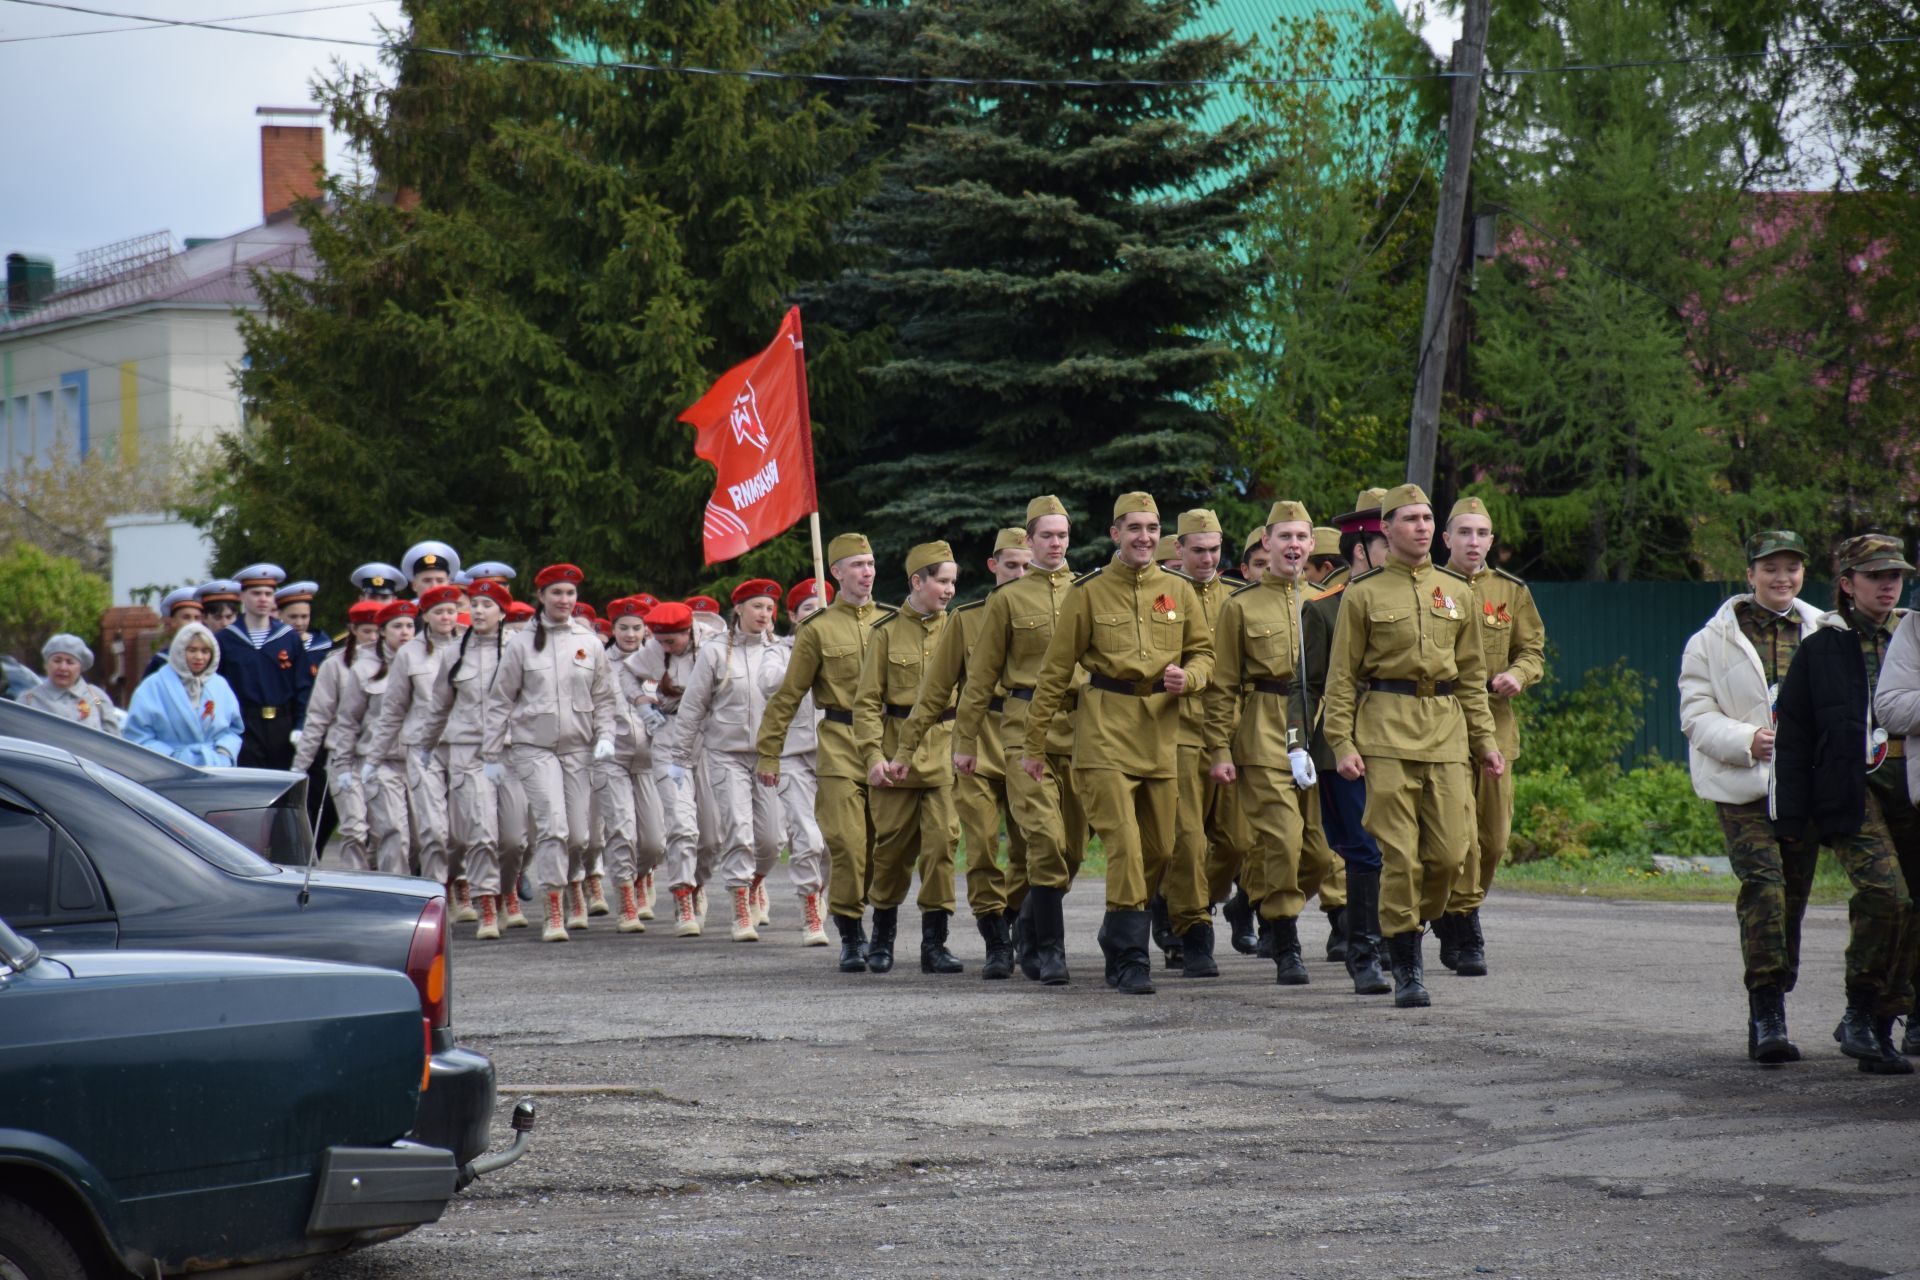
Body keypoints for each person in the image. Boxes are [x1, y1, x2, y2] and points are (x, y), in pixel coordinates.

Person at [1023, 492, 1214, 994]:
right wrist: (1034, 746)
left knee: (1160, 848)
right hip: (1104, 734)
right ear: (1115, 534)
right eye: (1134, 528)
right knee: (1126, 847)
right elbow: (1054, 672)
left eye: (1152, 528)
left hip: (1160, 734)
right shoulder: (1087, 593)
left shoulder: (1179, 590)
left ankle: (1112, 927)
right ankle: (1130, 957)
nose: (1144, 537)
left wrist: (1188, 679)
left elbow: (1205, 655)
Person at [1321, 483, 1503, 1009]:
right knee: (1398, 856)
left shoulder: (1458, 591)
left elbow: (1471, 677)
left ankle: (1408, 923)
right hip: (1384, 732)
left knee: (1450, 854)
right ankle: (1406, 965)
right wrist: (1341, 742)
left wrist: (1484, 741)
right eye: (1411, 519)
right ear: (1386, 529)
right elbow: (1340, 679)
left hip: (1445, 730)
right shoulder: (1365, 593)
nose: (1422, 527)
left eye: (1427, 518)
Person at [1774, 534, 1917, 1074]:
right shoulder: (1822, 647)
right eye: (1876, 575)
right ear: (1847, 583)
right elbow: (1794, 736)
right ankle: (1859, 1010)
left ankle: (1882, 1024)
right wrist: (1790, 815)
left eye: (1896, 575)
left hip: (1913, 783)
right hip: (1852, 788)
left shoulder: (1915, 635)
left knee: (1914, 908)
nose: (1888, 585)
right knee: (1888, 895)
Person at [1679, 530, 1823, 1063]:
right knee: (1764, 887)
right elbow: (1695, 716)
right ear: (1750, 575)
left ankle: (1775, 991)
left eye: (1791, 568)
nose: (1782, 577)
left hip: (1804, 788)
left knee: (1794, 899)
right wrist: (1748, 741)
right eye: (1771, 568)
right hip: (1744, 787)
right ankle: (1767, 1015)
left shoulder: (1823, 631)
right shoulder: (1710, 640)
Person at [951, 496, 1089, 984]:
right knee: (1045, 840)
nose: (1055, 544)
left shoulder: (1088, 591)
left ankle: (1027, 925)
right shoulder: (1007, 600)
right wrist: (965, 740)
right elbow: (981, 677)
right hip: (1021, 727)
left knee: (1073, 849)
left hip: (1080, 730)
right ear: (1028, 542)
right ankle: (1051, 951)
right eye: (1046, 536)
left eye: (1062, 535)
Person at [891, 530, 1032, 979]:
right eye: (1012, 565)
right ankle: (996, 941)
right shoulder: (968, 619)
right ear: (994, 567)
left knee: (1038, 849)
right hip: (977, 747)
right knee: (983, 848)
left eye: (1027, 567)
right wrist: (904, 749)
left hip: (1032, 743)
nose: (1020, 574)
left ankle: (1017, 925)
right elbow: (933, 695)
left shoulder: (1056, 613)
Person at [756, 534, 892, 972]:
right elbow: (788, 695)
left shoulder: (894, 622)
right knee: (847, 846)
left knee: (881, 850)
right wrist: (769, 753)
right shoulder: (817, 630)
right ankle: (851, 935)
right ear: (835, 573)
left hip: (890, 747)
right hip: (838, 745)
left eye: (870, 564)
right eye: (856, 565)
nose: (866, 572)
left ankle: (881, 932)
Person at [1206, 501, 1318, 985]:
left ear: (1312, 545)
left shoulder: (1329, 601)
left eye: (1302, 537)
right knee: (1282, 840)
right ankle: (1286, 939)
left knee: (1321, 854)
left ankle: (1256, 904)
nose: (1293, 545)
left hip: (1317, 732)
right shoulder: (1241, 606)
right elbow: (1223, 685)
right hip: (1264, 732)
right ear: (1266, 544)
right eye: (1284, 537)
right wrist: (1218, 749)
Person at [1435, 496, 1546, 976]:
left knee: (1494, 837)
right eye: (1464, 533)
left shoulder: (1511, 592)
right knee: (1455, 837)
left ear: (1492, 542)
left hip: (1496, 725)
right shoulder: (1431, 587)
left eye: (1482, 534)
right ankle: (1462, 921)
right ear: (1447, 539)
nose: (1473, 542)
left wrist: (1519, 675)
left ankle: (1459, 907)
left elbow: (1533, 651)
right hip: (1443, 724)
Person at [484, 564, 618, 942]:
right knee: (553, 828)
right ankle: (554, 910)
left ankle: (570, 883)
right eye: (556, 592)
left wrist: (606, 735)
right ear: (540, 596)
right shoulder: (520, 644)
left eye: (570, 593)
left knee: (581, 837)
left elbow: (604, 697)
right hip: (533, 748)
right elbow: (499, 701)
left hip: (578, 749)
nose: (564, 600)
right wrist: (492, 754)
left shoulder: (590, 642)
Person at [1302, 490, 1393, 995]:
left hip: (1399, 741)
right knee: (1362, 850)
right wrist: (1298, 744)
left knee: (1399, 847)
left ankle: (1394, 941)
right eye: (1385, 541)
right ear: (1359, 549)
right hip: (1343, 748)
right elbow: (1306, 686)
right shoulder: (1324, 610)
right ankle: (1364, 953)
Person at [861, 543, 965, 975]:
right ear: (917, 582)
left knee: (942, 846)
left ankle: (934, 944)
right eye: (942, 581)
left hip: (944, 750)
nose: (949, 590)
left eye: (954, 583)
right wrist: (872, 755)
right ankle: (882, 938)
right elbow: (867, 702)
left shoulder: (958, 628)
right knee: (891, 852)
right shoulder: (884, 633)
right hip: (896, 753)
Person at [676, 580, 795, 942]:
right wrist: (680, 755)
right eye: (756, 606)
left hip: (769, 755)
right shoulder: (714, 652)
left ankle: (757, 881)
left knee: (773, 838)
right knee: (738, 830)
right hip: (725, 753)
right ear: (739, 610)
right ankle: (740, 907)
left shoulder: (781, 651)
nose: (764, 614)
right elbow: (694, 704)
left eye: (769, 607)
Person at [1156, 508, 1245, 978]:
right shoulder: (1161, 596)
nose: (1208, 558)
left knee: (1235, 841)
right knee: (1187, 839)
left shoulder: (1236, 597)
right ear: (1179, 551)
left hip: (1231, 730)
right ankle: (1192, 932)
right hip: (1180, 729)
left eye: (1214, 549)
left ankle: (1178, 898)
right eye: (1198, 550)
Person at [419, 579, 532, 939]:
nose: (479, 611)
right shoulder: (455, 652)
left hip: (512, 753)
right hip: (468, 752)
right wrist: (426, 746)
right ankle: (486, 908)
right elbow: (439, 705)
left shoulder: (519, 649)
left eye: (488, 605)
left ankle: (504, 893)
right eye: (476, 604)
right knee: (481, 833)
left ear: (502, 612)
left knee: (515, 840)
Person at [370, 584, 463, 910]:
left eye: (451, 610)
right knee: (433, 830)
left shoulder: (471, 643)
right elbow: (393, 709)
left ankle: (460, 884)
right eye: (439, 611)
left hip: (466, 746)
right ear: (426, 615)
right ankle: (436, 897)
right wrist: (374, 756)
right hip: (423, 750)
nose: (446, 617)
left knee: (464, 832)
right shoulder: (410, 653)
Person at [630, 601, 711, 935]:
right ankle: (681, 896)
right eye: (660, 640)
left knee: (712, 835)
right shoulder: (651, 651)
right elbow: (626, 673)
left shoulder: (713, 645)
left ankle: (697, 883)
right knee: (681, 824)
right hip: (667, 737)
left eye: (672, 640)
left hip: (707, 738)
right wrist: (639, 700)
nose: (665, 647)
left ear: (688, 630)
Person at [589, 596, 665, 933]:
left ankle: (639, 877)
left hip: (650, 759)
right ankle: (626, 902)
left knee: (653, 843)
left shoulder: (658, 662)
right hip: (612, 757)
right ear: (613, 629)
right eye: (624, 628)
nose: (631, 634)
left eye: (637, 628)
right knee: (621, 830)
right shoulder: (600, 662)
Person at [293, 601, 383, 869]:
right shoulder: (335, 665)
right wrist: (299, 767)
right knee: (354, 828)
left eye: (379, 631)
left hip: (382, 760)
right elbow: (318, 718)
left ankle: (383, 888)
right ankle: (355, 890)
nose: (373, 638)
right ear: (353, 630)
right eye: (367, 631)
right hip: (345, 759)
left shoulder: (394, 663)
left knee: (386, 833)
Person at [776, 579, 834, 946]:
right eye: (808, 609)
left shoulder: (846, 645)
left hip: (835, 753)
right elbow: (769, 688)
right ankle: (810, 908)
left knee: (833, 843)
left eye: (822, 608)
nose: (816, 616)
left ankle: (823, 893)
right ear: (794, 617)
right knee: (808, 839)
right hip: (791, 754)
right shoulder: (777, 653)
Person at [215, 564, 314, 769]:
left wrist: (300, 724)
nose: (263, 599)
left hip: (282, 723)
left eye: (268, 594)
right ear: (242, 596)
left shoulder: (288, 638)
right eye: (256, 593)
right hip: (245, 724)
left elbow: (303, 687)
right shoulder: (226, 640)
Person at [124, 621, 243, 766]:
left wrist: (224, 752)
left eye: (205, 651)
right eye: (192, 650)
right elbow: (137, 734)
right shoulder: (153, 686)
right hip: (170, 770)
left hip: (216, 769)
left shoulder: (220, 685)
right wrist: (170, 757)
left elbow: (234, 729)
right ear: (179, 651)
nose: (199, 657)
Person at [24, 634, 123, 733]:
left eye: (70, 662)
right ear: (46, 664)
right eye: (57, 661)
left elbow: (113, 738)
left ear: (80, 667)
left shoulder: (97, 698)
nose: (63, 667)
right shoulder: (28, 700)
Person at [143, 587, 205, 677]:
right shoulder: (161, 661)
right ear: (173, 622)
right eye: (186, 617)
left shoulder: (208, 659)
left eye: (197, 618)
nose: (192, 623)